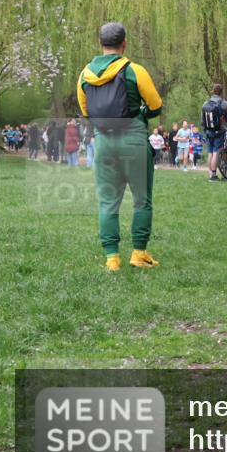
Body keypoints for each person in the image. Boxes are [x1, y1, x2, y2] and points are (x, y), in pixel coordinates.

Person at [77, 21, 163, 270]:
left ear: (100, 44)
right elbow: (156, 105)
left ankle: (112, 257)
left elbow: (86, 112)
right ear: (124, 43)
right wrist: (142, 111)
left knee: (108, 201)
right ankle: (138, 253)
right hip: (133, 140)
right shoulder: (134, 70)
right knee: (142, 200)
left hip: (103, 142)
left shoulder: (84, 74)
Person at [202, 84, 227, 181]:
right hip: (219, 132)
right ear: (221, 92)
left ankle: (210, 174)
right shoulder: (224, 104)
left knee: (210, 153)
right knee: (216, 152)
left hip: (208, 131)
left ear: (212, 91)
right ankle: (214, 175)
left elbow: (202, 120)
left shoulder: (205, 103)